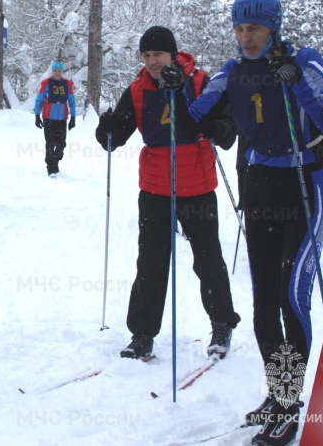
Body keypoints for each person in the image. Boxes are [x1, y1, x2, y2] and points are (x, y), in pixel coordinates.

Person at [187, 0, 323, 446]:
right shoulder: (233, 70)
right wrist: (175, 89)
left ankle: (290, 405)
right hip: (260, 186)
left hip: (305, 184)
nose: (246, 36)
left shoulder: (306, 59)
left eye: (254, 26)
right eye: (239, 27)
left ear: (273, 25)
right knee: (262, 307)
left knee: (293, 299)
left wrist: (297, 79)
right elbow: (191, 117)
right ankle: (279, 395)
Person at [95, 25, 241, 363]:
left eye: (157, 54)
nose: (151, 61)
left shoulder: (200, 81)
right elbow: (118, 133)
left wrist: (214, 127)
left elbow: (229, 128)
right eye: (146, 55)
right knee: (150, 262)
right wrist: (107, 131)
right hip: (155, 188)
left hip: (197, 186)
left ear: (172, 54)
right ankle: (142, 334)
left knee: (207, 260)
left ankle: (222, 323)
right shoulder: (137, 89)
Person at [34, 61, 76, 176]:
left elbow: (72, 101)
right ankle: (51, 168)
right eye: (55, 71)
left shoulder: (67, 84)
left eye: (59, 71)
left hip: (62, 117)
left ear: (62, 72)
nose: (57, 73)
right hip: (49, 117)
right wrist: (37, 116)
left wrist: (73, 118)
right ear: (52, 72)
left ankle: (55, 162)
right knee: (50, 143)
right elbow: (39, 100)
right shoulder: (46, 83)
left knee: (61, 144)